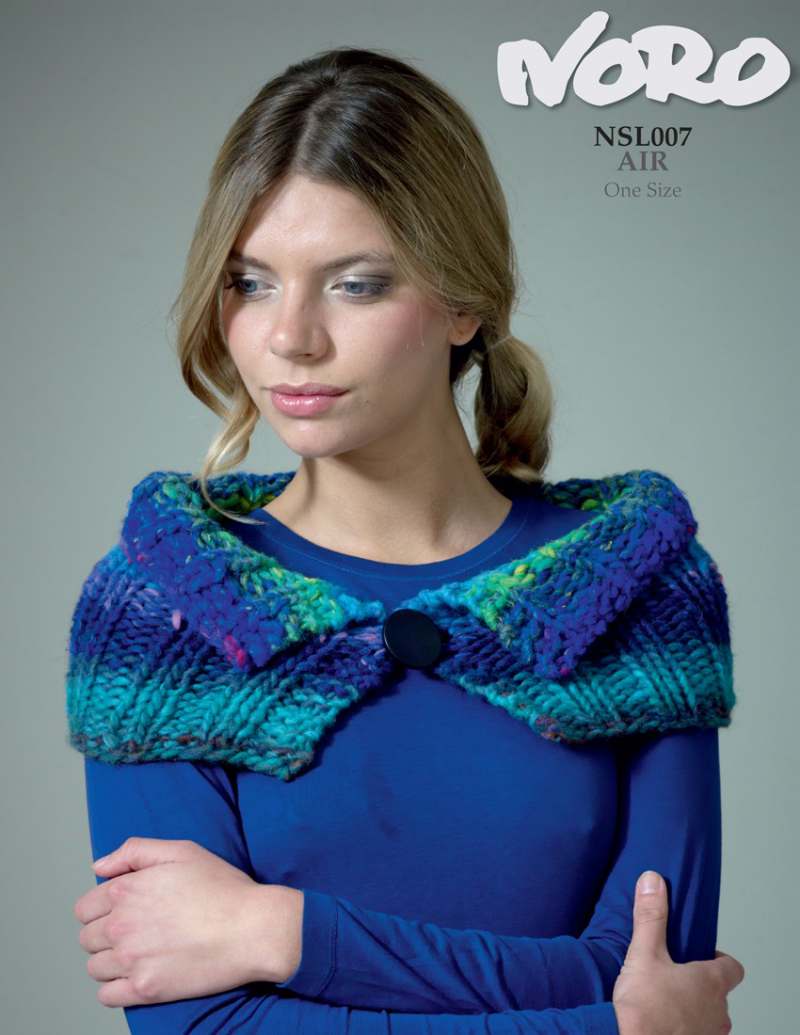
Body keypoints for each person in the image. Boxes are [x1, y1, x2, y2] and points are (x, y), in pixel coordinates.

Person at [67, 46, 745, 1033]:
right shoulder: (161, 610)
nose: (290, 337)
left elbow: (651, 971)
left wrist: (286, 933)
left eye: (355, 284)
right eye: (251, 282)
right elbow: (202, 1027)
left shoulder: (641, 590)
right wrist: (603, 1026)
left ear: (464, 303)